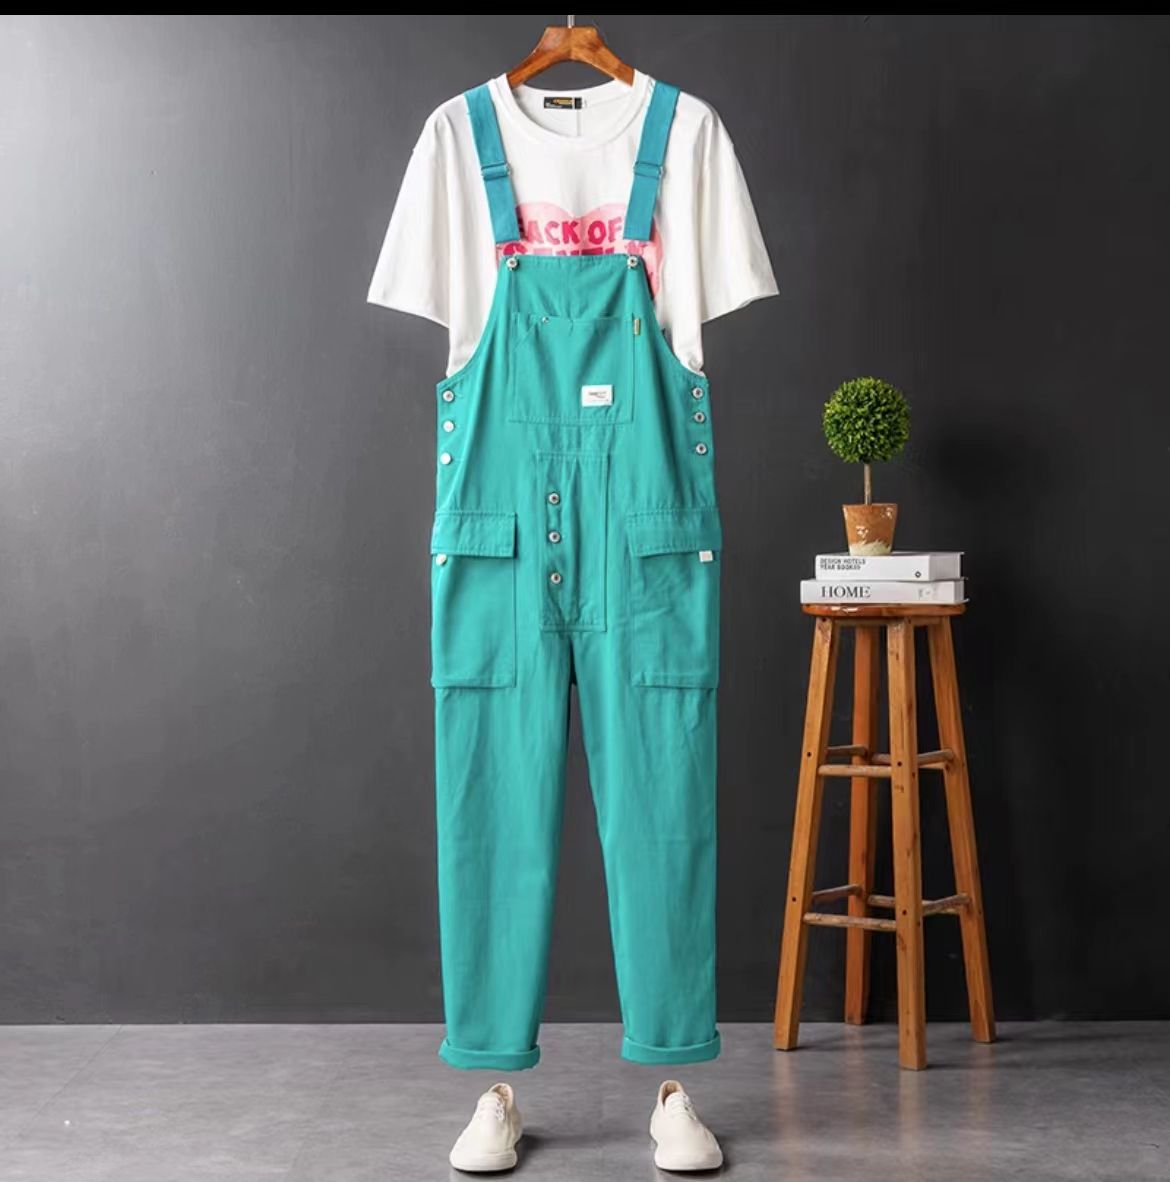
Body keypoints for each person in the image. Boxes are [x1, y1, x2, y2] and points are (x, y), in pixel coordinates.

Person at [367, 65, 777, 1172]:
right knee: (491, 802)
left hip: (645, 536)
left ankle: (675, 1082)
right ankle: (492, 1081)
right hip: (497, 536)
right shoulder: (458, 141)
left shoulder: (685, 137)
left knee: (666, 800)